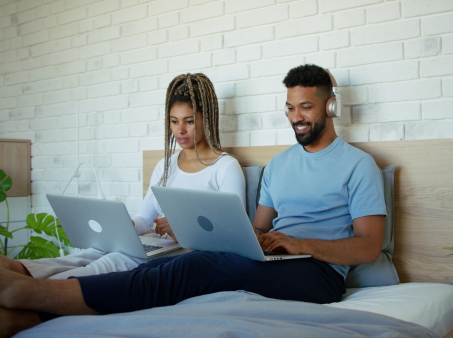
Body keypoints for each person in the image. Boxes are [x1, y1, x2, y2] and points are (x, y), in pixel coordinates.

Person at [0, 64, 386, 336]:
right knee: (163, 266)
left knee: (195, 267)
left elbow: (368, 247)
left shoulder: (359, 165)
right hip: (274, 259)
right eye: (289, 107)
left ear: (329, 106)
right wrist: (242, 238)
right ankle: (27, 318)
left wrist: (300, 245)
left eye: (306, 107)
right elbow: (257, 228)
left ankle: (33, 292)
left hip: (318, 274)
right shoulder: (279, 165)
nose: (296, 117)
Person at [0, 73, 245, 280]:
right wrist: (125, 227)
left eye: (189, 121)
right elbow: (145, 219)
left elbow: (236, 238)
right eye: (174, 121)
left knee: (109, 262)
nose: (180, 130)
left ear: (207, 119)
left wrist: (184, 232)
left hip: (186, 255)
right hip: (157, 246)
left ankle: (34, 290)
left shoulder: (225, 167)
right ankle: (16, 270)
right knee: (87, 255)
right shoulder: (165, 165)